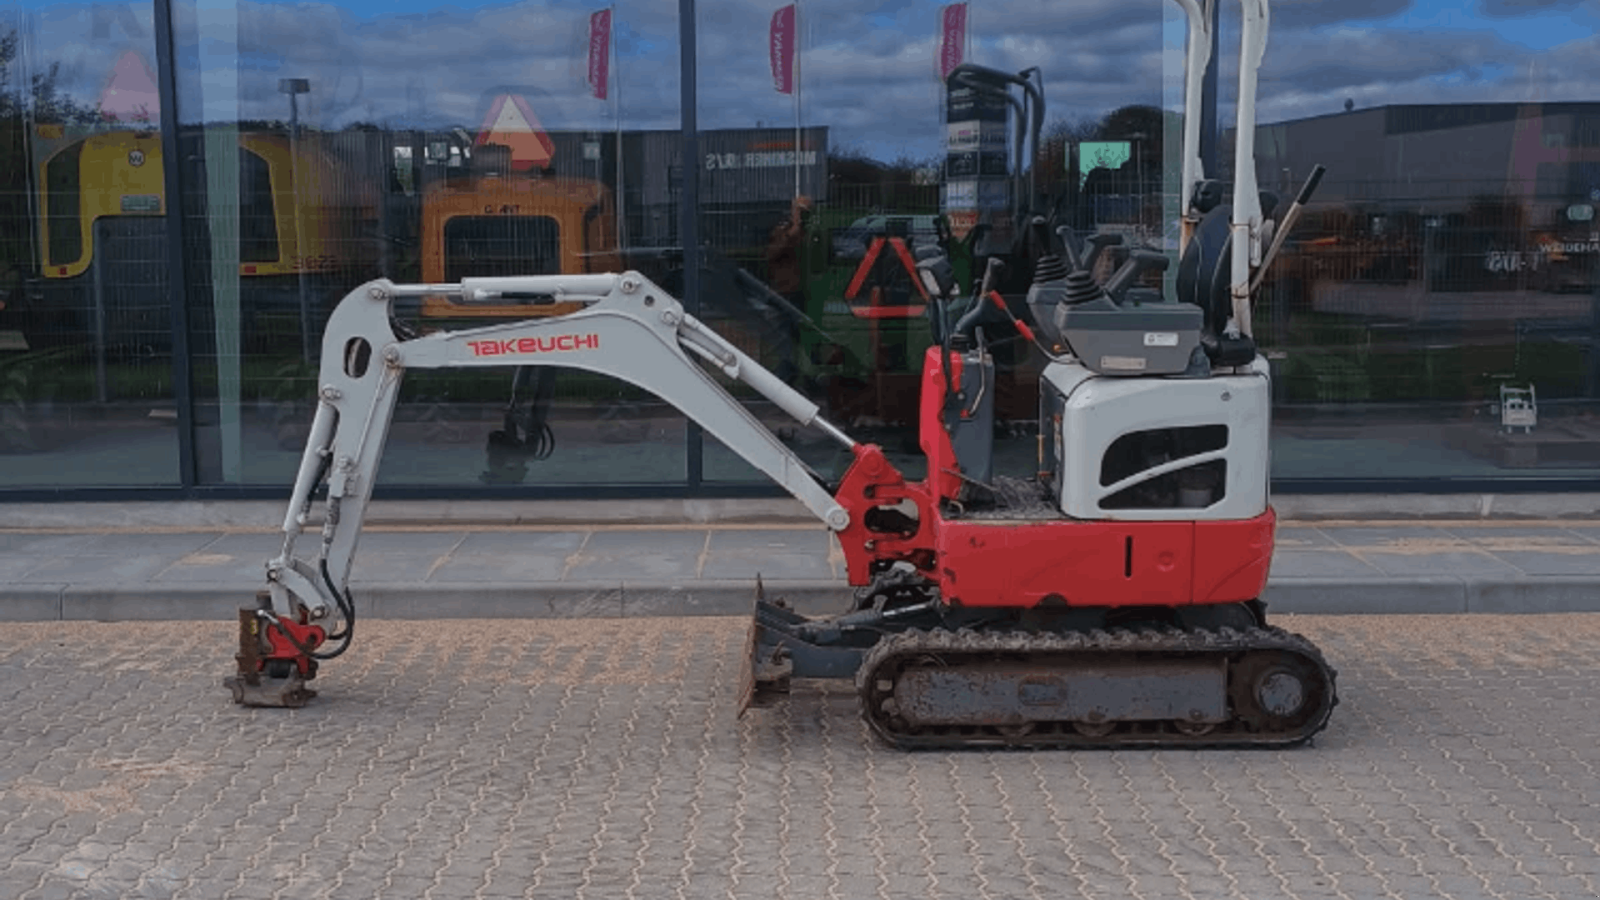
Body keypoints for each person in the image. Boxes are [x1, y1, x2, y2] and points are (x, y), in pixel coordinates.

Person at [762, 195, 812, 385]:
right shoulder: (783, 231)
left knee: (807, 339)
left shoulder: (814, 233)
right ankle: (785, 379)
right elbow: (772, 253)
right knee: (787, 338)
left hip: (809, 293)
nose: (804, 215)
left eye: (807, 211)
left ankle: (808, 379)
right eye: (801, 211)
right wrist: (793, 230)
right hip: (787, 292)